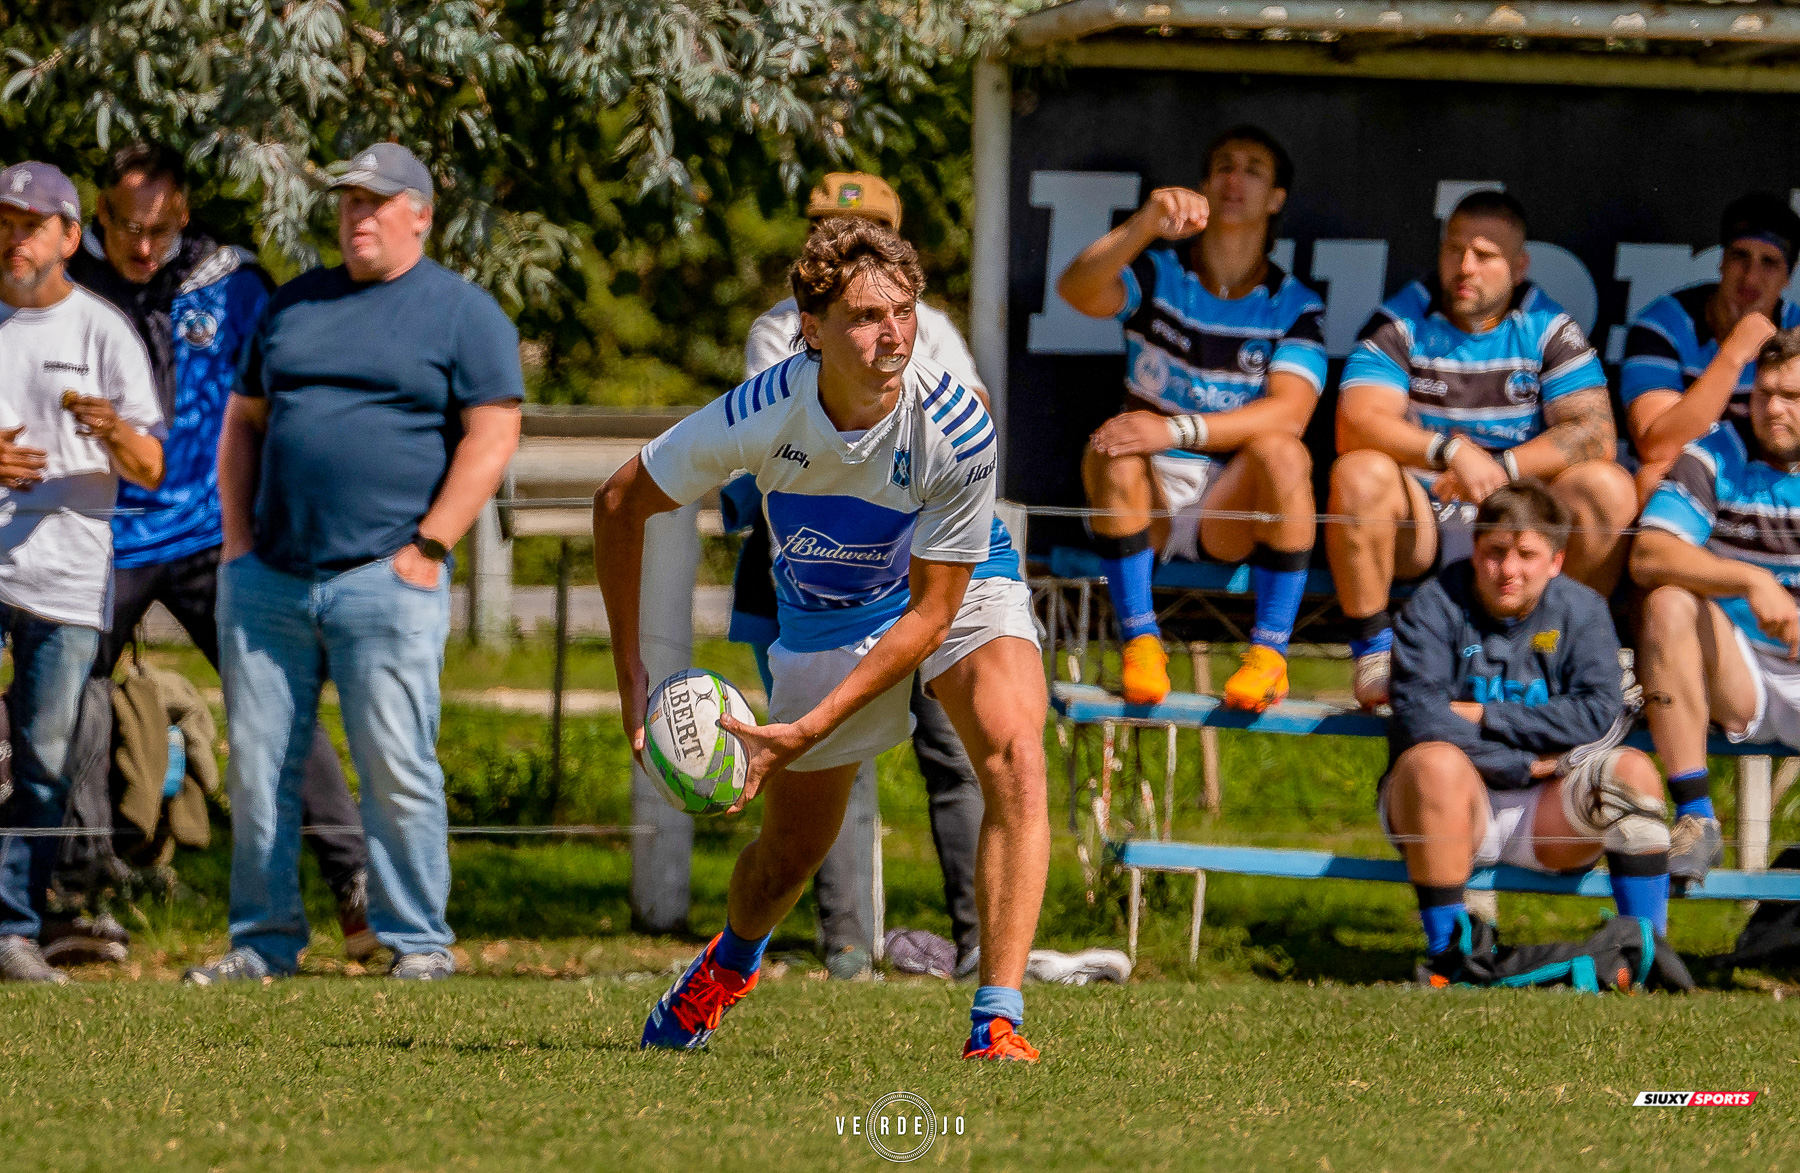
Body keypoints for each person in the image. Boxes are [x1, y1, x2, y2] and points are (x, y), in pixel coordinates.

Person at [596, 216, 1050, 1060]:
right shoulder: (765, 410)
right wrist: (634, 676)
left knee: (1016, 753)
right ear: (810, 328)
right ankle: (726, 966)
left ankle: (996, 1019)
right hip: (825, 613)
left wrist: (807, 727)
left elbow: (930, 616)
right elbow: (622, 502)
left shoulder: (957, 425)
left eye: (904, 312)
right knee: (786, 858)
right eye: (867, 317)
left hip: (949, 585)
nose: (894, 335)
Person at [184, 143, 523, 985]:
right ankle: (262, 943)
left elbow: (493, 434)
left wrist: (431, 546)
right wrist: (235, 542)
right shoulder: (294, 304)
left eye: (377, 202)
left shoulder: (463, 313)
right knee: (260, 769)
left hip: (390, 574)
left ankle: (419, 943)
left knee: (397, 764)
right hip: (270, 577)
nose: (358, 217)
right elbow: (244, 422)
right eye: (347, 203)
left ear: (421, 214)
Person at [67, 142, 374, 957]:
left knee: (282, 697)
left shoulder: (233, 282)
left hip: (214, 530)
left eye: (160, 229)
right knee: (55, 695)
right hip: (101, 533)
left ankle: (356, 886)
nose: (143, 246)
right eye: (127, 227)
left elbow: (282, 394)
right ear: (98, 216)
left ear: (185, 213)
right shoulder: (61, 281)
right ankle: (65, 897)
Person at [736, 172, 993, 981]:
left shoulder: (933, 329)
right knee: (820, 758)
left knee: (956, 759)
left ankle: (978, 942)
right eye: (821, 225)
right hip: (813, 571)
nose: (835, 238)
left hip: (927, 564)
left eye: (865, 224)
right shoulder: (779, 331)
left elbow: (966, 419)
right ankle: (845, 941)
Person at [1329, 189, 1636, 710]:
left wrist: (1499, 467)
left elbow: (1595, 434)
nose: (1464, 266)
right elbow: (1356, 423)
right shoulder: (1402, 318)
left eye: (1485, 255)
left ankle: (1566, 651)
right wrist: (1450, 453)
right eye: (1453, 250)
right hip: (1423, 514)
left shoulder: (1547, 324)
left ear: (1518, 266)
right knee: (1358, 473)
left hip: (1515, 519)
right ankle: (1376, 656)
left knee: (1608, 488)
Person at [1056, 125, 1326, 710]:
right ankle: (1142, 644)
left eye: (1254, 169)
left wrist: (1178, 429)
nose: (1235, 179)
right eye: (1223, 166)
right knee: (1110, 445)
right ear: (1204, 185)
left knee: (1284, 453)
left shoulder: (1295, 302)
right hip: (1144, 492)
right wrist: (1140, 226)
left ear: (1276, 198)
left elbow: (1291, 413)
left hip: (1227, 506)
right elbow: (1076, 290)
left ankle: (1268, 655)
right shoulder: (1159, 271)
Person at [1383, 483, 1672, 976]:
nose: (1509, 570)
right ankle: (1448, 961)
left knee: (1635, 773)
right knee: (1434, 762)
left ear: (1556, 561)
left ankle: (1642, 957)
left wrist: (1487, 715)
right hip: (1446, 806)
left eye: (1527, 555)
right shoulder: (1434, 606)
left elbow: (1595, 713)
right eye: (1495, 553)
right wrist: (1518, 761)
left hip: (1547, 808)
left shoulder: (1582, 611)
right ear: (1475, 551)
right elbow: (1420, 714)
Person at [0, 161, 166, 983]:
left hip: (66, 577)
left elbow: (153, 467)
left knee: (45, 760)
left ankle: (15, 931)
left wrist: (110, 433)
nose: (15, 235)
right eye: (5, 219)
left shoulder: (103, 331)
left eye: (33, 222)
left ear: (69, 236)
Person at [1633, 327, 1800, 881]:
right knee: (1666, 602)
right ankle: (1696, 818)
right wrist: (1750, 580)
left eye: (1792, 397)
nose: (1773, 409)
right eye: (1764, 394)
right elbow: (1649, 553)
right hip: (1739, 670)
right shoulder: (1717, 452)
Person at [1620, 193, 1800, 502]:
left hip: (1776, 480)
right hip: (1692, 475)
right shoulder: (1663, 325)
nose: (1751, 275)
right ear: (1721, 261)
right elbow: (1658, 447)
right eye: (1740, 256)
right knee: (1654, 479)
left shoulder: (1797, 329)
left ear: (1788, 277)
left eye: (1769, 262)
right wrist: (1733, 354)